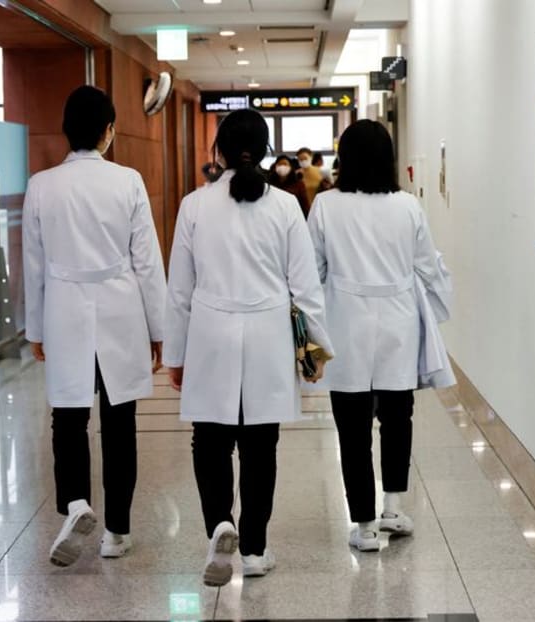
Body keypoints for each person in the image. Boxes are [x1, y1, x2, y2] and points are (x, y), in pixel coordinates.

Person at [163, 109, 334, 586]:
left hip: (210, 334)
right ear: (262, 151)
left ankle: (219, 523)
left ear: (218, 151)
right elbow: (306, 288)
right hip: (268, 335)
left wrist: (176, 355)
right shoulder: (285, 206)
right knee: (260, 444)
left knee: (210, 438)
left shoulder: (194, 205)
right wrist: (315, 350)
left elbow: (179, 289)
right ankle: (255, 549)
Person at [23, 85, 167, 567]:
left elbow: (34, 264)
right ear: (109, 130)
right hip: (120, 308)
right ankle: (116, 533)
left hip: (64, 307)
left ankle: (76, 504)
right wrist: (159, 328)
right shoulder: (128, 181)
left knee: (68, 416)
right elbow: (146, 261)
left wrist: (35, 328)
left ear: (66, 130)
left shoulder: (42, 185)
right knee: (119, 420)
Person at [307, 119, 452, 552]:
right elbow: (428, 266)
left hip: (344, 321)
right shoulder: (407, 205)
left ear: (345, 158)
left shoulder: (326, 205)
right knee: (397, 417)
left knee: (351, 427)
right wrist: (437, 308)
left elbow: (312, 270)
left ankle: (365, 525)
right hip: (398, 321)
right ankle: (393, 507)